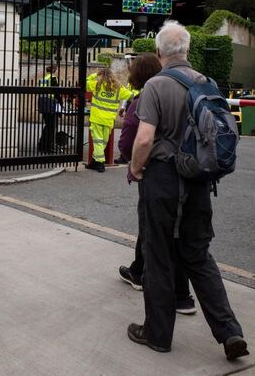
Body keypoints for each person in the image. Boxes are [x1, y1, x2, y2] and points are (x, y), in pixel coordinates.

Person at [127, 21, 248, 360]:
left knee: (159, 255)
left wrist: (136, 168)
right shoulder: (206, 82)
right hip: (199, 181)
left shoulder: (156, 85)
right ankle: (230, 332)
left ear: (159, 52)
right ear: (188, 51)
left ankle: (157, 334)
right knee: (198, 255)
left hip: (164, 179)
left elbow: (145, 138)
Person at [115, 54, 197, 315]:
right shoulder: (190, 87)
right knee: (180, 232)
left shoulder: (145, 98)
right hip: (190, 169)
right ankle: (142, 272)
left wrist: (134, 166)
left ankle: (175, 297)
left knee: (155, 232)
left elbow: (133, 140)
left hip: (157, 171)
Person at [85, 67, 133, 172]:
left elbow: (85, 82)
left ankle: (99, 163)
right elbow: (131, 95)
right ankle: (95, 161)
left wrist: (95, 75)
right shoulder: (118, 88)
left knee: (98, 141)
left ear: (101, 76)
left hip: (97, 118)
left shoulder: (97, 85)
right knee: (103, 142)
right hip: (109, 119)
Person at [37, 65, 60, 153]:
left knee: (48, 125)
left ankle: (42, 145)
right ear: (54, 70)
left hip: (42, 102)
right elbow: (56, 92)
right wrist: (61, 104)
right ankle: (48, 147)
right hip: (49, 103)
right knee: (52, 126)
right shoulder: (53, 78)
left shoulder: (45, 78)